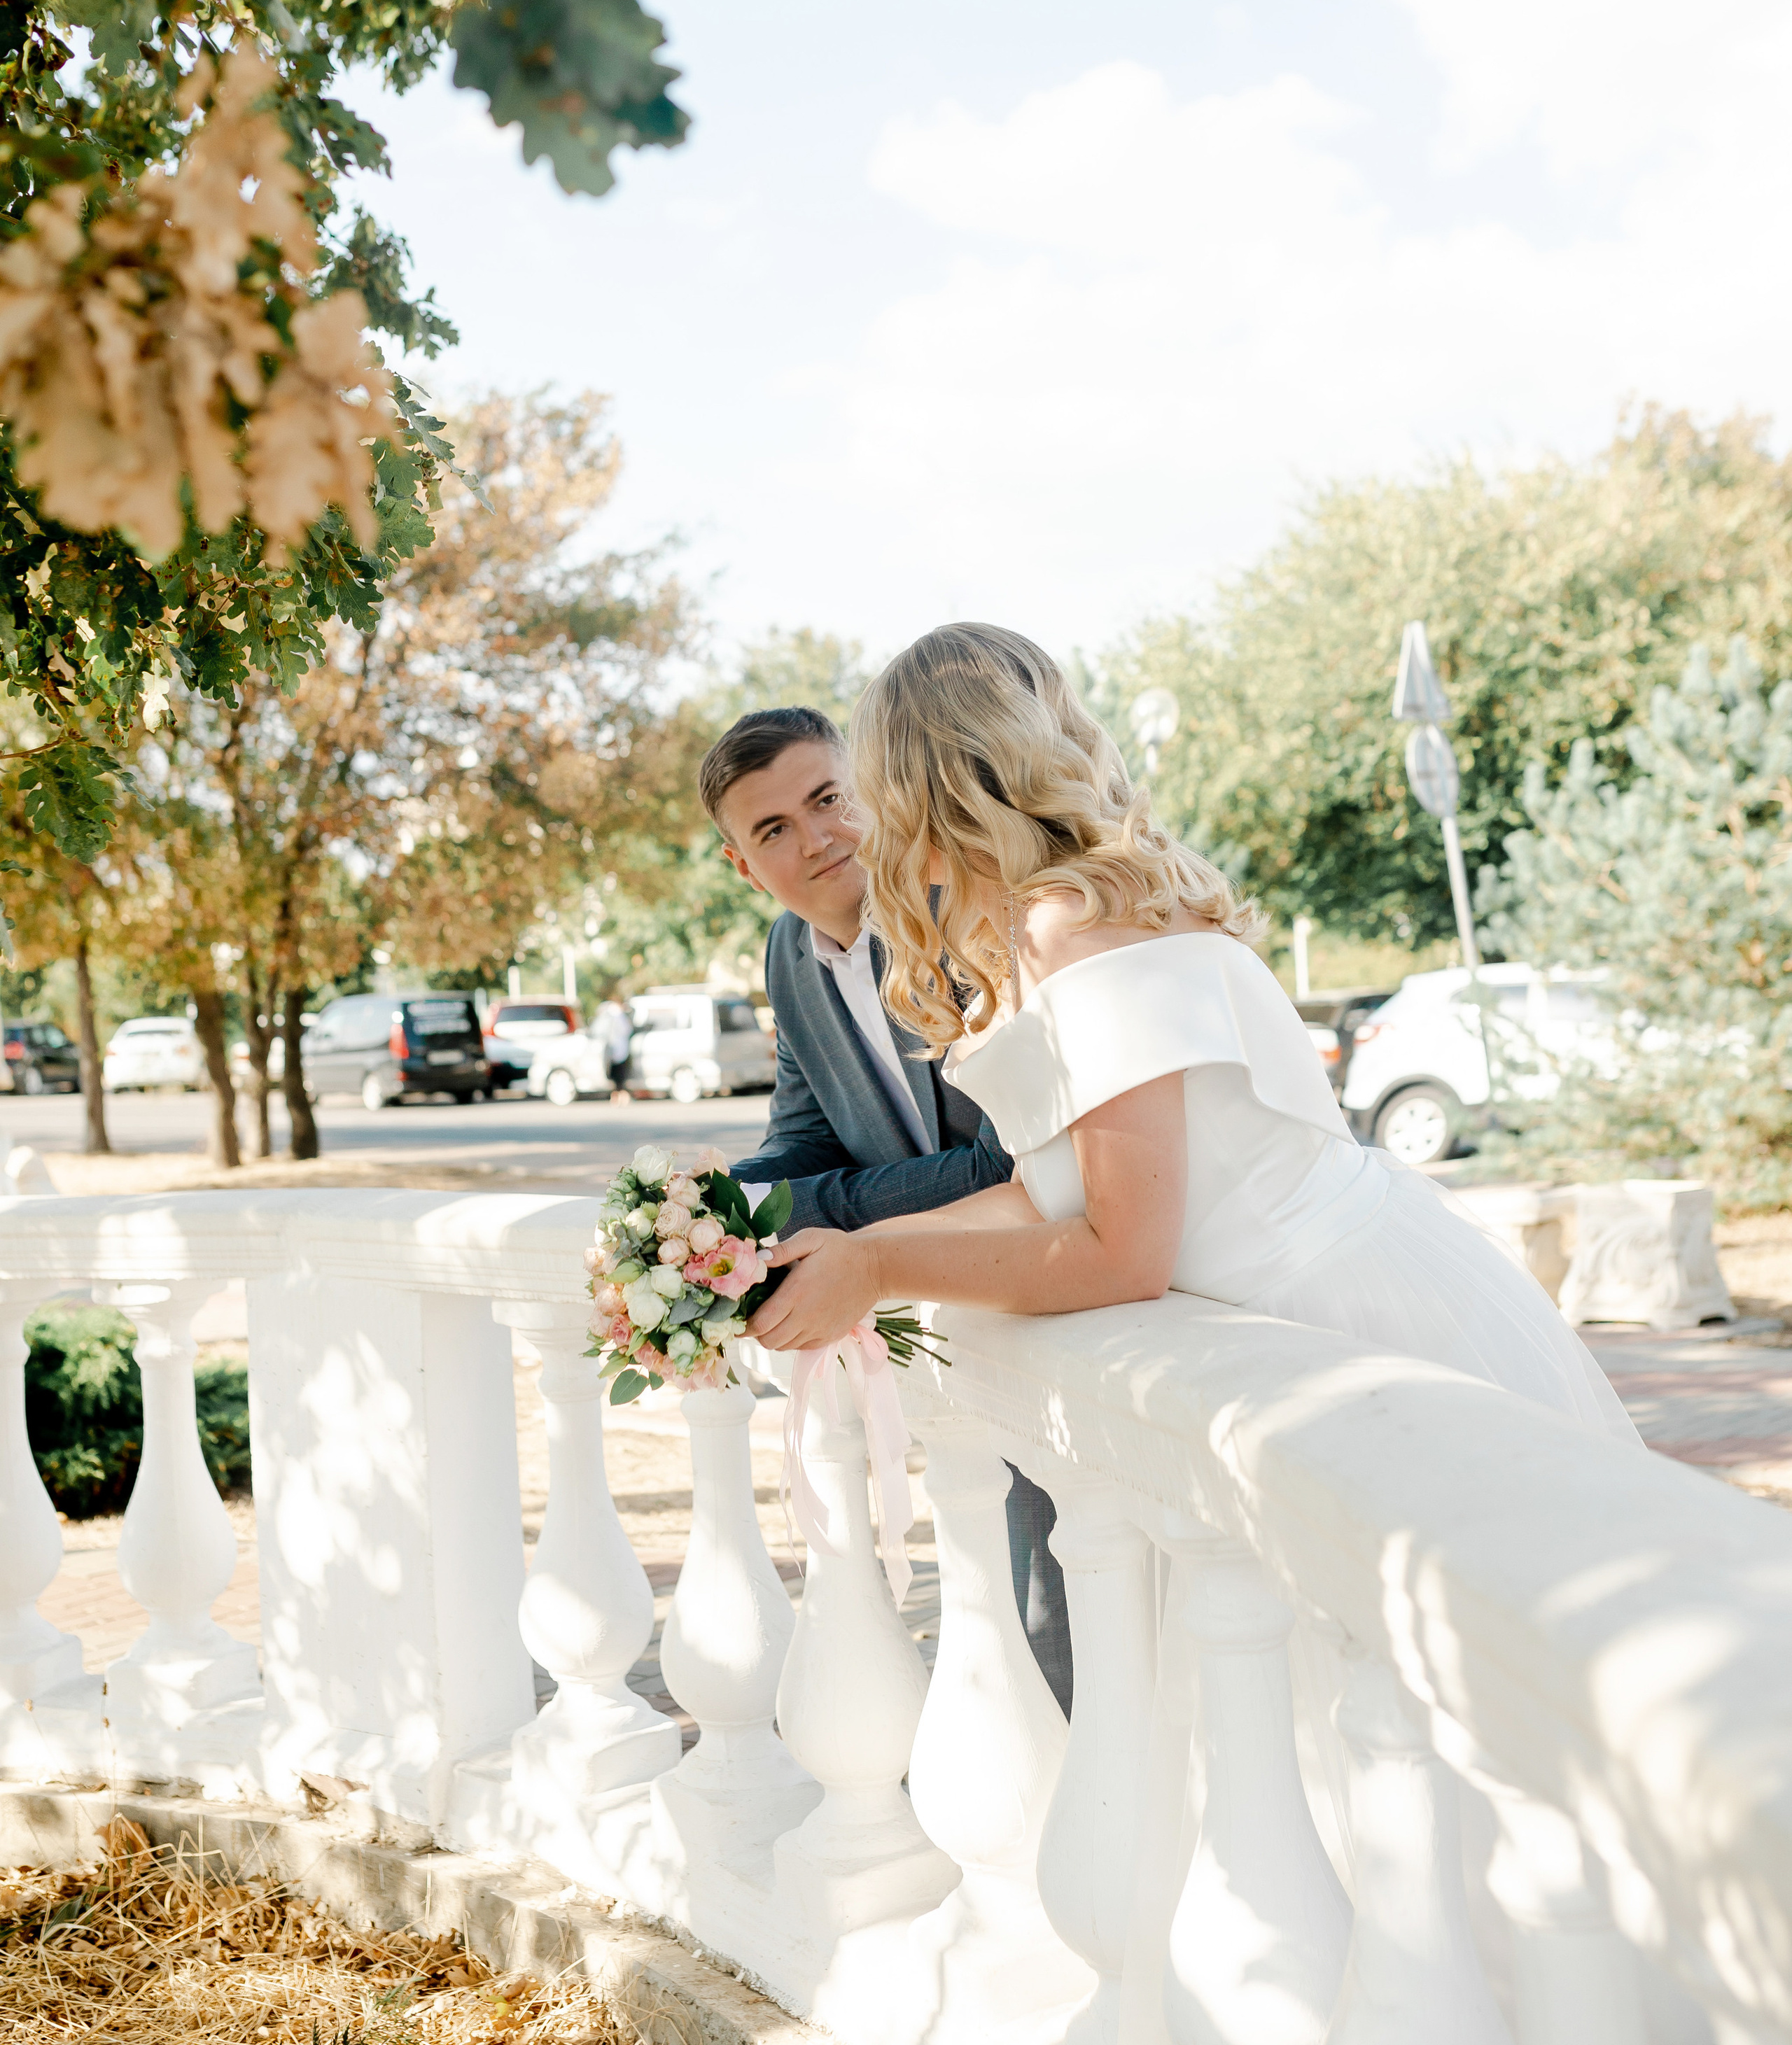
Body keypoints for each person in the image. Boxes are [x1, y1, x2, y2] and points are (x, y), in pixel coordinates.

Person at [748, 625, 1640, 1470]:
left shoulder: (1071, 929)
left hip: (1327, 1320)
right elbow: (1039, 1194)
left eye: (864, 789)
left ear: (925, 790)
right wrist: (836, 1252)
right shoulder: (1053, 915)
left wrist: (874, 1266)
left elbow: (1122, 1255)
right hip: (1285, 1315)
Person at [700, 704, 1074, 1710]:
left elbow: (1005, 1161)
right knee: (1011, 1597)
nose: (814, 838)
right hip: (962, 1315)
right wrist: (712, 1212)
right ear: (745, 865)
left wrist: (818, 1209)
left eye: (828, 800)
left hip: (1069, 1282)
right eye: (772, 829)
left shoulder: (961, 909)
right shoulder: (790, 958)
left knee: (1072, 1597)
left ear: (869, 792)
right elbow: (802, 1140)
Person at [594, 991, 634, 1104]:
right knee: (620, 1074)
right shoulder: (619, 1015)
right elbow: (627, 1030)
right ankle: (620, 1095)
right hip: (620, 1048)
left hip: (610, 1048)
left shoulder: (607, 1014)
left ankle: (616, 1096)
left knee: (615, 1073)